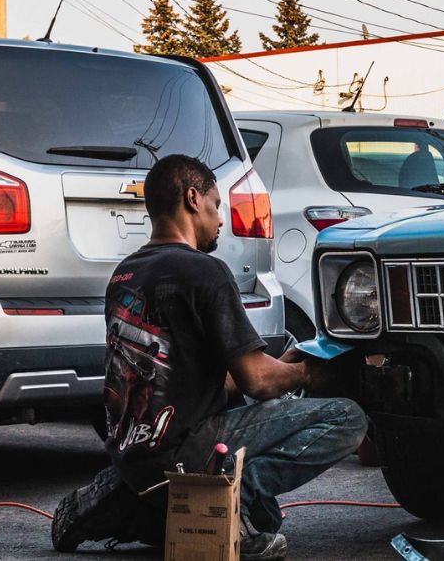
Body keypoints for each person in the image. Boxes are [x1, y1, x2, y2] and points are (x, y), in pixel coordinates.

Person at [52, 155, 366, 560]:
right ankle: (224, 498)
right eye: (217, 206)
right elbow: (256, 381)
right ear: (192, 198)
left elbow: (188, 377)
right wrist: (307, 373)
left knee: (267, 519)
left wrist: (282, 365)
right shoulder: (205, 272)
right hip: (190, 450)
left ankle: (118, 503)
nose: (221, 220)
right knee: (348, 418)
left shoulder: (126, 275)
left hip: (136, 458)